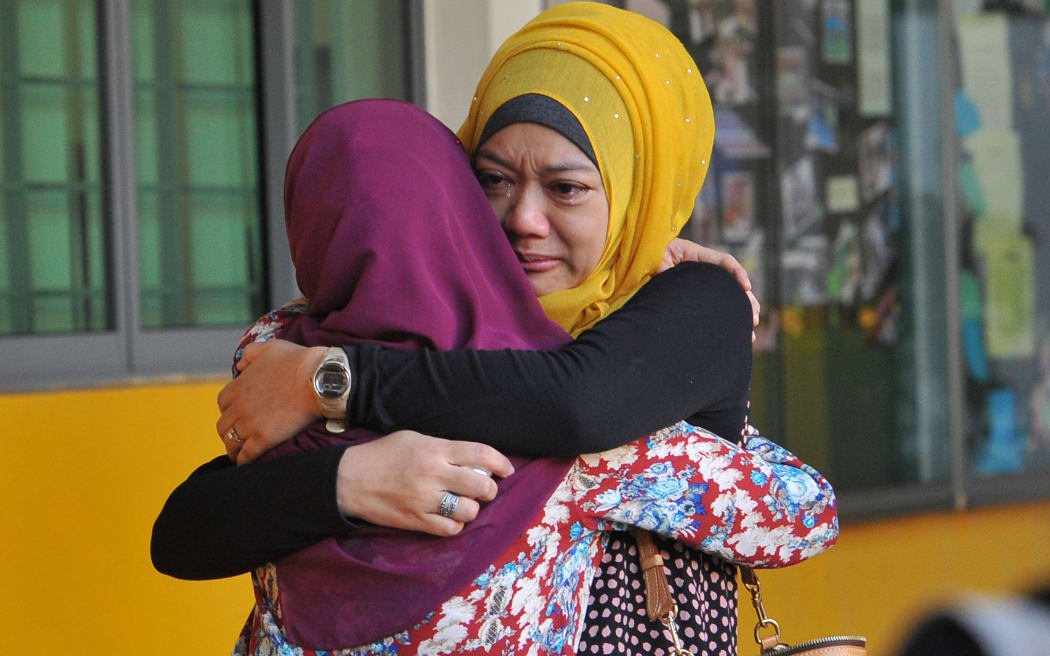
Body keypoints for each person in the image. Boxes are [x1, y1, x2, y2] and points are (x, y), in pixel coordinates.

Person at [152, 3, 837, 654]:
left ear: (639, 189)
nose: (522, 220)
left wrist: (329, 382)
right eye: (492, 180)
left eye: (566, 189)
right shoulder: (421, 327)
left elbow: (574, 403)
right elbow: (186, 529)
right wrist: (352, 479)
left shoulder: (693, 302)